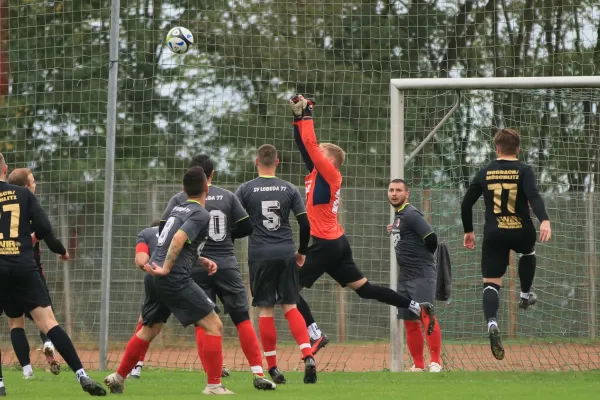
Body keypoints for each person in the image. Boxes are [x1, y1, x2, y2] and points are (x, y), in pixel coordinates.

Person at [290, 95, 435, 356]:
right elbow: (305, 146)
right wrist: (297, 118)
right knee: (366, 290)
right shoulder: (317, 172)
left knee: (288, 288)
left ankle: (315, 333)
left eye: (321, 154)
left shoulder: (331, 174)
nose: (315, 155)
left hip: (324, 244)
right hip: (335, 244)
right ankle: (416, 306)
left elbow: (310, 144)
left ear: (330, 160)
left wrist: (308, 113)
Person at [104, 167, 234, 395]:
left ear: (183, 189)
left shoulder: (177, 209)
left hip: (153, 275)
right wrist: (167, 269)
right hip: (171, 276)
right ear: (206, 188)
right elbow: (178, 239)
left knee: (149, 330)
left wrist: (200, 260)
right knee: (214, 325)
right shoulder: (201, 214)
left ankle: (118, 377)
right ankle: (214, 386)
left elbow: (173, 246)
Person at [158, 155, 276, 390]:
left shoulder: (180, 199)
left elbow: (164, 229)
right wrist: (227, 236)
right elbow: (246, 226)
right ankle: (257, 371)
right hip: (226, 264)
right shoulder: (228, 196)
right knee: (242, 318)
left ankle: (212, 372)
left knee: (203, 321)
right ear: (211, 175)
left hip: (195, 266)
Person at [0, 154, 106, 396]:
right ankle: (82, 375)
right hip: (23, 265)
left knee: (14, 323)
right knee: (48, 323)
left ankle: (1, 384)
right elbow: (45, 229)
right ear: (5, 169)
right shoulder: (24, 194)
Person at [460, 128, 552, 360]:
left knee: (491, 283)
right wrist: (545, 221)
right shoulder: (525, 170)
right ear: (518, 149)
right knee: (528, 253)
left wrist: (469, 231)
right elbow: (534, 196)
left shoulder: (485, 172)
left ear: (497, 149)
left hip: (495, 233)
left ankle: (492, 322)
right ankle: (524, 294)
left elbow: (466, 205)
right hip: (521, 230)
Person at [235, 144, 315, 384]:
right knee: (291, 306)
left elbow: (235, 222)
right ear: (277, 162)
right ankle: (308, 355)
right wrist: (301, 251)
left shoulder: (245, 190)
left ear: (256, 161)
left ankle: (272, 368)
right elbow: (305, 225)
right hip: (285, 252)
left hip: (260, 254)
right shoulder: (289, 189)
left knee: (266, 309)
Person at [6, 168, 68, 378]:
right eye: (33, 182)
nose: (35, 185)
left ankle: (27, 370)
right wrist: (63, 251)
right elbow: (48, 235)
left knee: (15, 322)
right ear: (25, 187)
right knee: (46, 317)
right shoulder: (30, 209)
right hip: (29, 272)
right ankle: (49, 343)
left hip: (5, 272)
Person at [387, 179, 443, 372]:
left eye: (398, 190)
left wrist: (425, 258)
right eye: (391, 190)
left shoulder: (411, 213)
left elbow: (431, 238)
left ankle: (436, 362)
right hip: (405, 276)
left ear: (407, 194)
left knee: (426, 314)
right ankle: (418, 365)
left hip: (421, 273)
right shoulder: (399, 216)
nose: (394, 193)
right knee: (410, 320)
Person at [126, 219, 160, 379]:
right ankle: (216, 368)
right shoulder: (176, 231)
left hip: (155, 280)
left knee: (145, 324)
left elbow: (141, 260)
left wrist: (145, 267)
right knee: (204, 320)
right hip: (181, 280)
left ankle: (135, 366)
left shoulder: (146, 234)